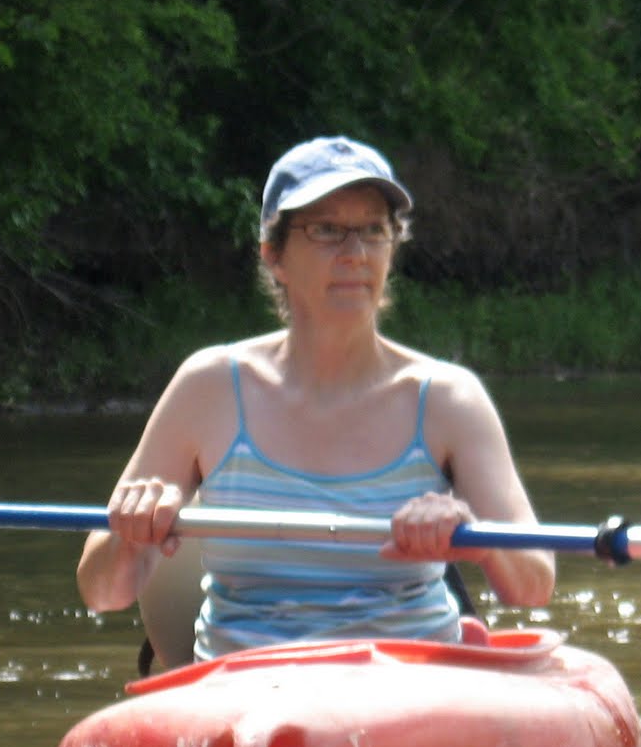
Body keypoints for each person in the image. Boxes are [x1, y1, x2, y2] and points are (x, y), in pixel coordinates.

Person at [77, 136, 554, 660]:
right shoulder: (207, 388)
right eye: (326, 230)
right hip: (245, 687)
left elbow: (534, 583)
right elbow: (102, 593)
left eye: (373, 230)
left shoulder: (449, 399)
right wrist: (130, 535)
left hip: (409, 684)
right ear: (274, 256)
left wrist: (476, 535)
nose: (354, 254)